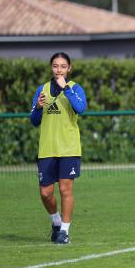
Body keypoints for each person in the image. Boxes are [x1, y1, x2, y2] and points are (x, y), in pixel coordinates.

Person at [30, 52, 86, 244]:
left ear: (69, 68)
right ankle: (55, 221)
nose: (59, 69)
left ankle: (64, 231)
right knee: (45, 193)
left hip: (69, 148)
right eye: (55, 66)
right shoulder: (42, 89)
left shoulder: (75, 88)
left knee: (65, 190)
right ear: (51, 67)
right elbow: (34, 121)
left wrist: (66, 90)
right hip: (47, 149)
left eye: (63, 66)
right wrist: (37, 107)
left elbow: (81, 108)